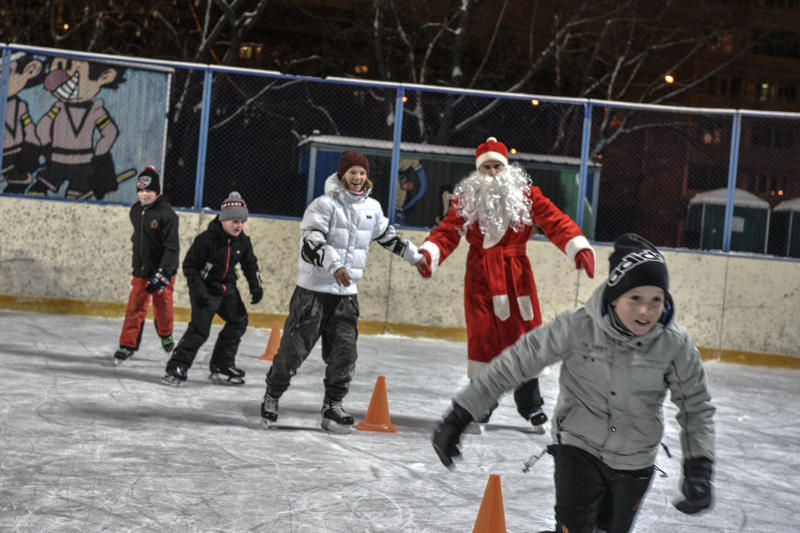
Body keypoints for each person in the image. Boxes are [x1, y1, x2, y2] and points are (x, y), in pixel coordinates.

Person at [432, 233, 716, 533]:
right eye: (635, 299)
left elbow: (695, 406)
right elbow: (513, 364)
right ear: (614, 296)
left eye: (656, 300)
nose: (646, 311)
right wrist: (460, 414)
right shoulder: (576, 326)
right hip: (579, 448)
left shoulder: (674, 343)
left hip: (636, 460)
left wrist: (699, 467)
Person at [416, 137, 595, 431]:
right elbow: (447, 232)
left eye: (497, 165)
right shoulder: (466, 199)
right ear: (478, 170)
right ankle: (481, 403)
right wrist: (429, 254)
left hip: (516, 276)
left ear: (506, 167)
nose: (492, 172)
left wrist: (578, 247)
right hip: (480, 277)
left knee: (525, 339)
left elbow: (555, 221)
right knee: (483, 340)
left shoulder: (527, 195)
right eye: (485, 166)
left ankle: (532, 405)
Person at [260, 150, 425, 433]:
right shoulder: (323, 205)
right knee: (293, 351)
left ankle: (333, 405)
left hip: (346, 295)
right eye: (352, 172)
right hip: (313, 292)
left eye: (362, 173)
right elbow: (311, 242)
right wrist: (334, 264)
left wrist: (416, 258)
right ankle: (272, 396)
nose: (358, 178)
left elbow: (387, 236)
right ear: (342, 174)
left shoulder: (371, 208)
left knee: (344, 354)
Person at [161, 191, 263, 386]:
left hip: (227, 289)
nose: (238, 225)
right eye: (234, 221)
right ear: (223, 220)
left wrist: (256, 287)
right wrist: (198, 291)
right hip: (205, 289)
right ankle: (177, 366)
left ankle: (221, 364)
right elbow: (190, 266)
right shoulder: (206, 240)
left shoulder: (243, 242)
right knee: (200, 330)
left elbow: (251, 265)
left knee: (238, 321)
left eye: (242, 222)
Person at [114, 166, 179, 364]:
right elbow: (139, 239)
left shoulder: (167, 215)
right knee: (135, 307)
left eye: (148, 191)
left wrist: (164, 272)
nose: (144, 195)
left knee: (163, 307)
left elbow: (172, 247)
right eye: (141, 191)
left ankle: (166, 334)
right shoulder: (135, 210)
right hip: (141, 271)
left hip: (163, 272)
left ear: (157, 191)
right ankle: (127, 345)